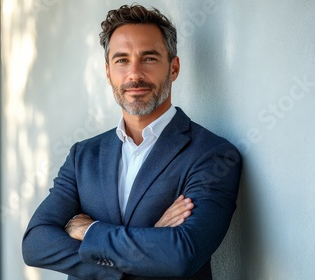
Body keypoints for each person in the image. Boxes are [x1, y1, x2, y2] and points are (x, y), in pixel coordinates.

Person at [22, 4, 242, 280]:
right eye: (122, 60)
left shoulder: (213, 155)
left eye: (148, 58)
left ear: (173, 68)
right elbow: (36, 245)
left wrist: (89, 231)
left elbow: (181, 255)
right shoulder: (84, 156)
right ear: (107, 71)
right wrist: (152, 241)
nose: (134, 74)